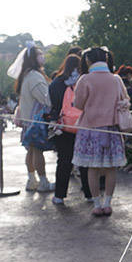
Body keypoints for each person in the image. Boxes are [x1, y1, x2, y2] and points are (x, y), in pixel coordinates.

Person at [72, 47, 128, 215]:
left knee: (93, 168)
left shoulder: (85, 79)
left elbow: (78, 104)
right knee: (111, 168)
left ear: (88, 60)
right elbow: (125, 99)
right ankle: (108, 203)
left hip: (90, 129)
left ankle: (97, 204)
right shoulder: (116, 79)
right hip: (112, 129)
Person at [47, 54, 90, 204]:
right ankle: (89, 193)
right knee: (84, 161)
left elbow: (51, 104)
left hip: (63, 126)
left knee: (64, 161)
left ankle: (59, 195)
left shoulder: (57, 82)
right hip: (82, 124)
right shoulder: (83, 80)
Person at [13, 44, 54, 192]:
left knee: (30, 151)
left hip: (28, 120)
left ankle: (31, 180)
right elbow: (46, 99)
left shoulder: (26, 75)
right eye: (39, 54)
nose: (42, 56)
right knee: (37, 151)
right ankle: (43, 182)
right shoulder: (35, 76)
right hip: (36, 121)